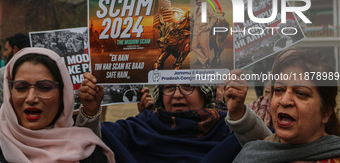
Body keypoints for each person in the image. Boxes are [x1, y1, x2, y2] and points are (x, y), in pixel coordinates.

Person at [76, 70, 271, 163]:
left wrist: (239, 113)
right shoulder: (141, 127)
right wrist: (91, 112)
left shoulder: (227, 127)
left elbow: (268, 146)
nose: (177, 95)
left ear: (205, 92)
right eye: (169, 87)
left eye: (187, 87)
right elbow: (89, 144)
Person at [0, 47, 115, 163]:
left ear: (63, 95)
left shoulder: (87, 152)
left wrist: (90, 112)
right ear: (9, 92)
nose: (31, 98)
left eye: (45, 88)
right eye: (21, 88)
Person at [233, 48, 340, 163]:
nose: (284, 101)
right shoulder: (253, 154)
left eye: (300, 93)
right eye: (279, 90)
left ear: (326, 112)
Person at [0, 33, 30, 106]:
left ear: (15, 49)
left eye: (7, 49)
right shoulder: (42, 71)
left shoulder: (3, 74)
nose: (4, 54)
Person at [190, 0, 217, 68]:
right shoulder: (194, 8)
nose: (198, 1)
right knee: (194, 47)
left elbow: (214, 17)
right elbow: (190, 17)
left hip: (204, 29)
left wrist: (209, 26)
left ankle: (207, 64)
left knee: (205, 47)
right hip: (196, 30)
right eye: (197, 0)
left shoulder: (207, 8)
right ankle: (205, 60)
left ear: (203, 0)